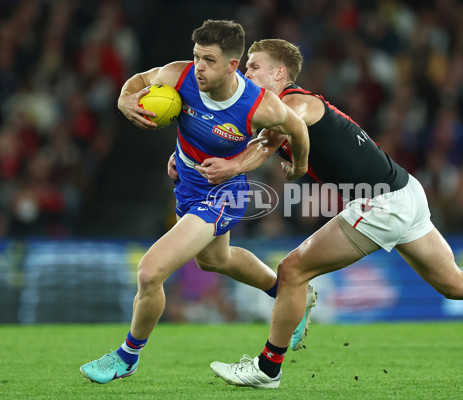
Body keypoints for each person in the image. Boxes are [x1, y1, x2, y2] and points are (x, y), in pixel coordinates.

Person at [193, 39, 463, 389]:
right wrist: (190, 156)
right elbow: (247, 137)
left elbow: (264, 143)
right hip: (404, 190)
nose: (246, 72)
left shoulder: (296, 102)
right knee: (455, 283)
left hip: (380, 201)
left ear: (280, 73)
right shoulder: (278, 109)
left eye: (253, 66)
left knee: (293, 271)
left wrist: (229, 166)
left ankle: (268, 369)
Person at [79, 21, 314, 384]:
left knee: (149, 271)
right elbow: (137, 83)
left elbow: (297, 129)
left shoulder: (258, 104)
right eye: (196, 57)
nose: (199, 67)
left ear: (232, 65)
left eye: (209, 60)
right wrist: (126, 101)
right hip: (188, 186)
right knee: (215, 260)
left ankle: (127, 356)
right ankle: (288, 294)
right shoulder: (179, 75)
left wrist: (298, 166)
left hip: (225, 194)